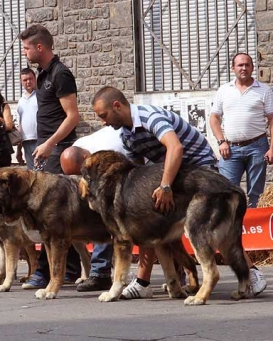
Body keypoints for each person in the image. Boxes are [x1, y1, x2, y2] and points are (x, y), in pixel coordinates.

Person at [91, 86, 250, 299]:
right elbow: (136, 172)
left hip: (198, 171)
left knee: (203, 232)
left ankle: (249, 277)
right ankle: (156, 282)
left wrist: (165, 186)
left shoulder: (149, 117)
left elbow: (175, 148)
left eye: (103, 115)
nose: (103, 122)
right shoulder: (127, 135)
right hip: (172, 175)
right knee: (149, 221)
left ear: (117, 106)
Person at [18, 24, 82, 289]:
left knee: (50, 213)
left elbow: (72, 116)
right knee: (53, 214)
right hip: (45, 150)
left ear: (40, 47)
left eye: (26, 48)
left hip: (58, 150)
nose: (24, 53)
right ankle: (68, 269)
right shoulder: (42, 74)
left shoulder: (60, 73)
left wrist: (49, 144)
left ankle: (44, 271)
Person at [209, 52, 269, 295]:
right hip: (230, 149)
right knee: (226, 196)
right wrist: (221, 140)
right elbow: (214, 117)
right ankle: (233, 235)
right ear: (233, 68)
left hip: (257, 146)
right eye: (239, 65)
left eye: (247, 64)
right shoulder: (224, 91)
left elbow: (272, 120)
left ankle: (253, 243)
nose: (244, 68)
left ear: (252, 67)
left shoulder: (263, 90)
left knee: (254, 196)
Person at [60, 126, 127, 292]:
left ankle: (100, 273)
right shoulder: (78, 148)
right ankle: (100, 271)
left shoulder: (107, 151)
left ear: (86, 159)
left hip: (135, 172)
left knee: (106, 216)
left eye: (80, 174)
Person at [17, 68, 38, 169]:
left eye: (30, 78)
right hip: (26, 142)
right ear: (21, 82)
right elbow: (20, 125)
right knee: (32, 172)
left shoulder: (41, 96)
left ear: (35, 79)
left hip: (41, 140)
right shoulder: (21, 101)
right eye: (25, 80)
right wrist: (18, 149)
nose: (28, 82)